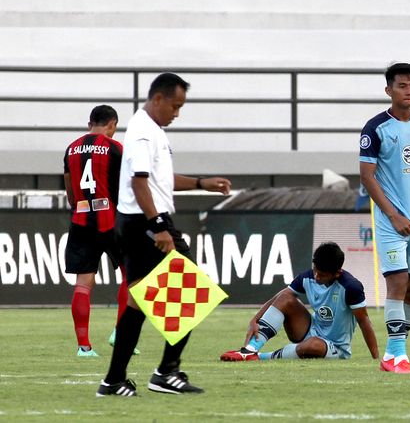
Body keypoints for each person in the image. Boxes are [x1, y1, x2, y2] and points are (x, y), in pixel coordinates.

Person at [96, 73, 231, 397]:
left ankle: (114, 381)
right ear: (158, 99)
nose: (177, 113)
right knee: (193, 293)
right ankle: (165, 373)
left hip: (138, 223)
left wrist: (200, 183)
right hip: (147, 224)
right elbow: (139, 183)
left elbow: (157, 179)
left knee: (137, 303)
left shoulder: (148, 128)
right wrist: (159, 227)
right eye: (175, 105)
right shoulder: (143, 132)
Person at [358, 62, 410, 374]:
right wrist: (392, 215)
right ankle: (396, 354)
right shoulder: (376, 128)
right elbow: (367, 176)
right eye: (403, 86)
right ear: (388, 90)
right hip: (391, 221)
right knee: (398, 281)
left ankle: (397, 352)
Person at [219, 242, 379, 362]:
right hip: (309, 331)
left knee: (312, 346)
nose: (316, 277)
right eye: (315, 271)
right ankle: (249, 350)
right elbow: (280, 297)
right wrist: (255, 319)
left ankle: (260, 357)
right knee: (285, 297)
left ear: (337, 273)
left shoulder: (351, 287)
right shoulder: (308, 277)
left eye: (322, 275)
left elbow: (364, 321)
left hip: (334, 346)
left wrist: (375, 359)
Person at [64, 105, 134, 357]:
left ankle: (84, 346)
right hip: (112, 220)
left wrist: (80, 206)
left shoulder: (71, 148)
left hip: (81, 220)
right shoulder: (115, 148)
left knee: (83, 284)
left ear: (89, 123)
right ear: (112, 124)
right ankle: (120, 333)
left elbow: (70, 192)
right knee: (130, 276)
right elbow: (127, 186)